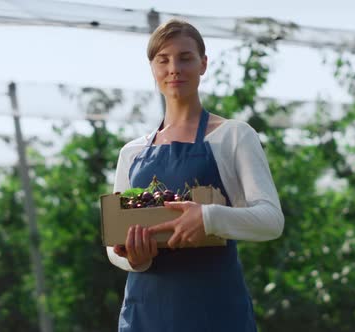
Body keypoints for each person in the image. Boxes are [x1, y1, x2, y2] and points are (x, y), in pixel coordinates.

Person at [106, 18, 284, 332]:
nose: (174, 68)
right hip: (145, 317)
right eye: (163, 60)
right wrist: (135, 258)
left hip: (215, 313)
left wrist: (208, 218)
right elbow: (114, 242)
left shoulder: (233, 136)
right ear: (153, 68)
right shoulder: (132, 153)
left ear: (203, 64)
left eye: (185, 58)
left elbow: (271, 220)